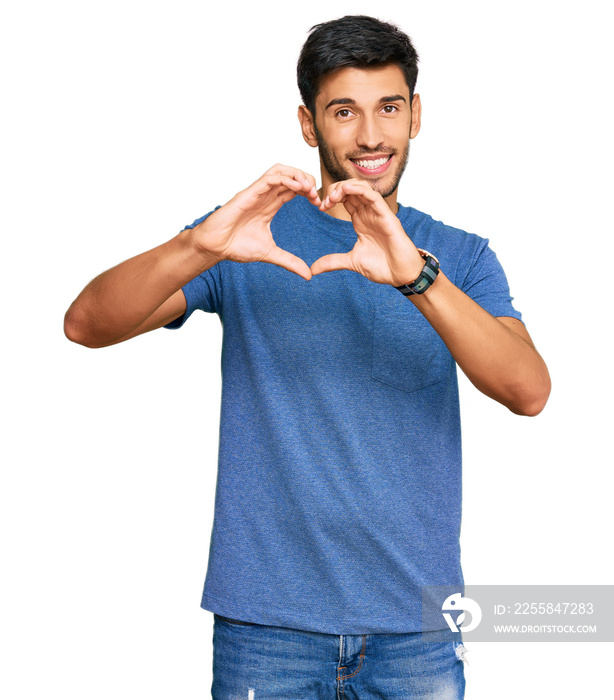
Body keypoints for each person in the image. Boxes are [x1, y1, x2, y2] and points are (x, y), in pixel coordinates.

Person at [64, 14, 551, 700]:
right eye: (344, 111)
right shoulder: (244, 238)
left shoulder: (459, 256)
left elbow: (528, 390)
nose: (371, 134)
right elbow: (86, 324)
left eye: (388, 107)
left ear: (416, 115)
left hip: (416, 626)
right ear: (308, 123)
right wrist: (199, 245)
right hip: (267, 627)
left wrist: (416, 276)